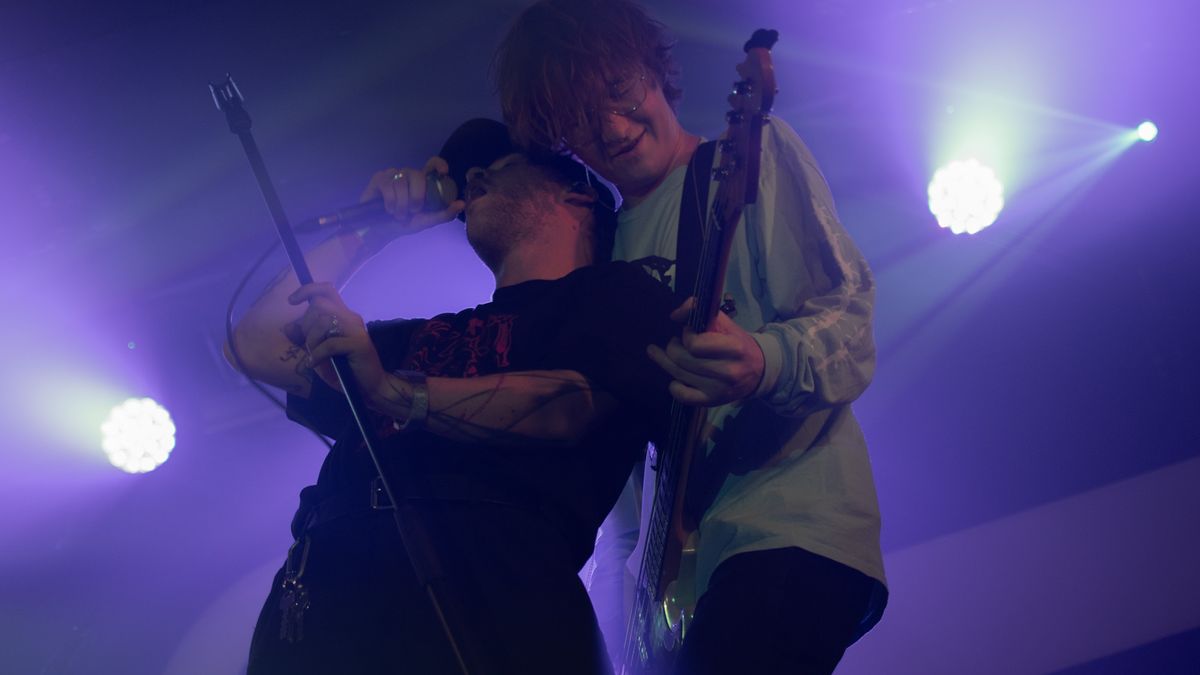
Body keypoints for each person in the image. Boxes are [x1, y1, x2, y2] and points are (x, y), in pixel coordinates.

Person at [493, 1, 888, 673]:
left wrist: (764, 359)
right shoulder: (599, 254)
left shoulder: (746, 158)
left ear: (652, 67)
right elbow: (615, 470)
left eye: (619, 91)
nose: (613, 127)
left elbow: (849, 315)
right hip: (677, 582)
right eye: (581, 119)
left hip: (789, 526)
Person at [226, 119, 681, 674]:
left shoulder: (616, 295)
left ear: (577, 194)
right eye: (471, 175)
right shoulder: (416, 338)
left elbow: (570, 407)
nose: (475, 178)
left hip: (490, 607)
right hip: (323, 608)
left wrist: (392, 392)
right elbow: (256, 344)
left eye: (500, 166)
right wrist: (373, 230)